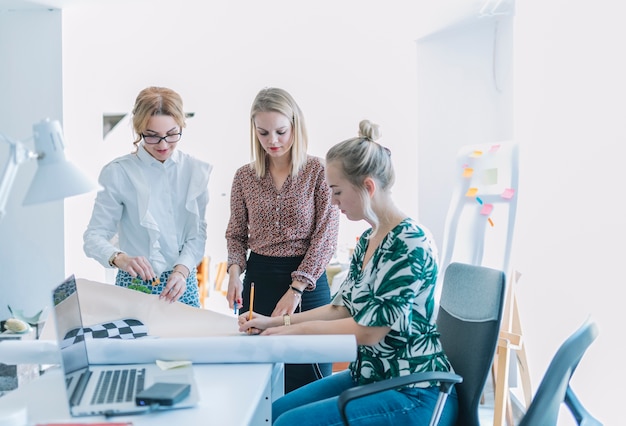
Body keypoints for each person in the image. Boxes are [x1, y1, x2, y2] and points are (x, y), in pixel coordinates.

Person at [238, 120, 459, 425]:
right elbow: (340, 309)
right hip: (370, 376)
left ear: (368, 186)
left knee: (288, 423)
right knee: (270, 414)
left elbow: (368, 331)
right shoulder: (370, 239)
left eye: (337, 191)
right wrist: (273, 321)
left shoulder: (411, 242)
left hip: (413, 391)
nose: (332, 201)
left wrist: (289, 331)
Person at [225, 87, 340, 393]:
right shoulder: (244, 177)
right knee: (257, 383)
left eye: (280, 131)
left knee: (310, 384)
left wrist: (296, 288)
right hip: (258, 282)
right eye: (263, 133)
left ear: (295, 126)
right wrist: (235, 272)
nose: (272, 141)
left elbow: (325, 237)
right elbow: (236, 233)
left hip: (308, 286)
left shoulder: (318, 171)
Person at [83, 86, 212, 308]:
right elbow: (93, 237)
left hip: (182, 285)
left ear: (181, 125)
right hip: (133, 287)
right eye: (152, 136)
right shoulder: (118, 172)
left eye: (172, 134)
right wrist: (120, 258)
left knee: (187, 343)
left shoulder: (194, 171)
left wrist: (181, 271)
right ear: (139, 130)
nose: (163, 145)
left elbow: (196, 236)